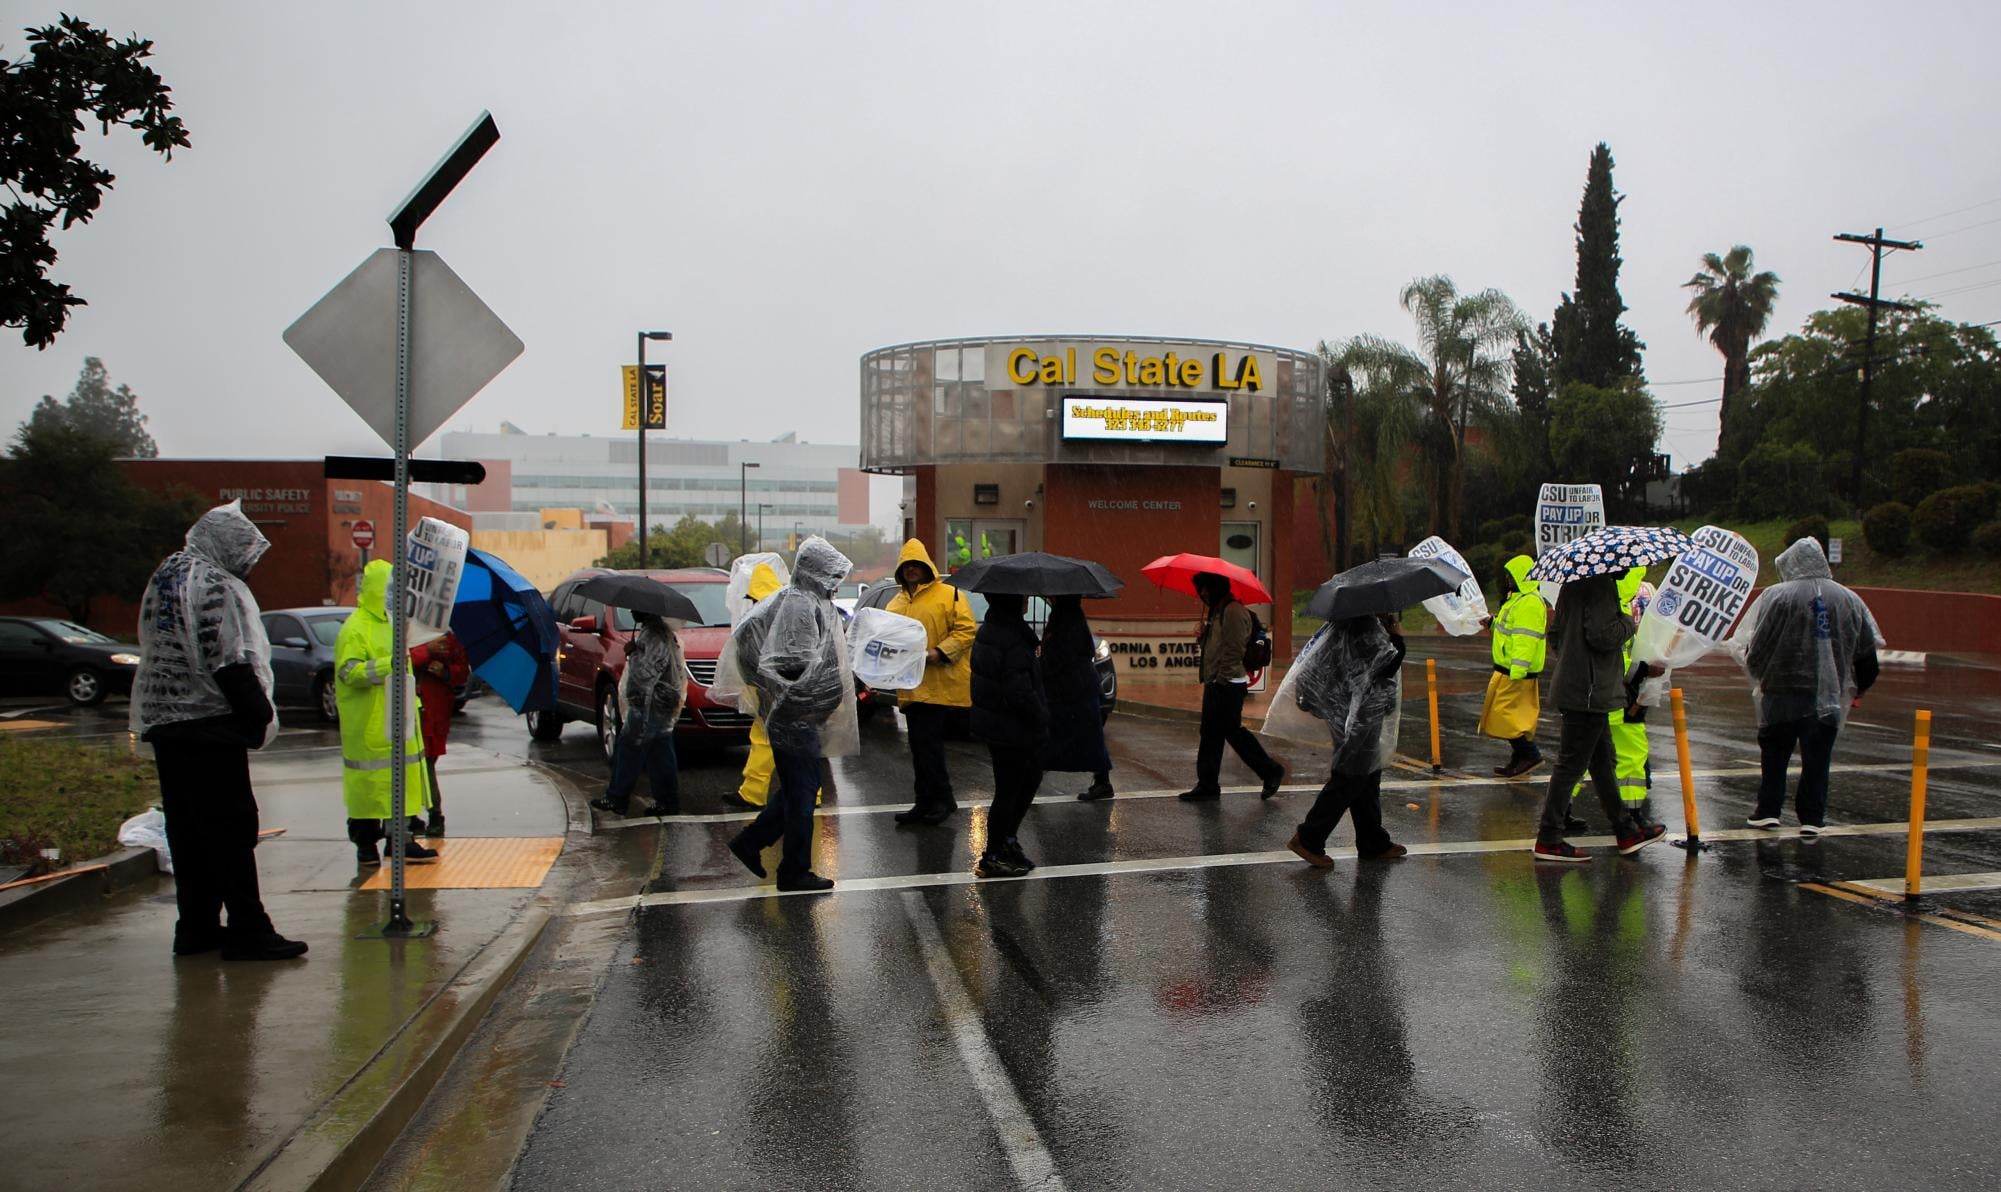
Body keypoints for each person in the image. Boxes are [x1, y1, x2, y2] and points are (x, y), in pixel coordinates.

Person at [131, 501, 307, 961]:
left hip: (166, 725)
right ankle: (250, 928)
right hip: (211, 727)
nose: (248, 564)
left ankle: (196, 927)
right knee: (231, 830)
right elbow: (229, 657)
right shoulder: (215, 586)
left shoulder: (166, 575)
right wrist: (258, 718)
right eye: (245, 553)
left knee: (188, 833)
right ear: (226, 545)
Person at [1727, 537, 1882, 834]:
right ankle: (1812, 816)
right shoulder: (1849, 600)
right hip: (1826, 696)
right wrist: (1858, 689)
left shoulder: (1776, 597)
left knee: (1774, 753)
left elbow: (1757, 647)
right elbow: (1867, 656)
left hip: (1780, 692)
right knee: (1818, 757)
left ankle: (1768, 810)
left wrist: (1760, 676)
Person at [725, 537, 855, 892]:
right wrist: (805, 705)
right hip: (796, 716)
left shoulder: (798, 601)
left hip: (792, 714)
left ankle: (751, 843)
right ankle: (793, 870)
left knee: (800, 788)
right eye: (832, 575)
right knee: (801, 794)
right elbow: (793, 662)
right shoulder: (799, 605)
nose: (836, 583)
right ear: (817, 572)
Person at [1531, 571, 1666, 862]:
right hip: (1589, 691)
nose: (1628, 569)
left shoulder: (1572, 586)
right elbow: (1602, 635)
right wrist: (1628, 621)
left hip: (1581, 687)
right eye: (1625, 564)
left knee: (1603, 762)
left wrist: (1572, 660)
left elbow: (1555, 633)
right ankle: (1549, 837)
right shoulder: (1602, 586)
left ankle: (1625, 830)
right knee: (1571, 765)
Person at [335, 559, 439, 867]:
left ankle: (401, 841)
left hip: (398, 721)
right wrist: (387, 665)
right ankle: (366, 845)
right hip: (369, 725)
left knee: (402, 787)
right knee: (368, 792)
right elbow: (348, 672)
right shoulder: (356, 628)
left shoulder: (396, 625)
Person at [1286, 615, 1409, 867]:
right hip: (1356, 712)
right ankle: (1308, 837)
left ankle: (1372, 841)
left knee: (1367, 773)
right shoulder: (1363, 625)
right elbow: (1384, 664)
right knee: (1351, 775)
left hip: (1351, 709)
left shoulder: (1348, 622)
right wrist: (1396, 637)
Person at [885, 538, 977, 826]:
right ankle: (925, 802)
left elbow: (966, 631)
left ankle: (942, 800)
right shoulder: (895, 602)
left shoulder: (950, 595)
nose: (912, 570)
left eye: (917, 564)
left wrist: (940, 652)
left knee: (929, 747)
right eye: (907, 565)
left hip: (940, 685)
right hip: (911, 686)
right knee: (920, 748)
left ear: (927, 566)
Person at [1564, 570, 1655, 832]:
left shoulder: (1591, 597)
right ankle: (1632, 816)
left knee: (1581, 758)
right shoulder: (1632, 601)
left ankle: (1562, 812)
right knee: (1630, 757)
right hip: (1622, 695)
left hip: (1601, 694)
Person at [1180, 571, 1284, 801]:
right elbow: (1219, 646)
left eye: (1206, 588)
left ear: (1216, 587)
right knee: (1210, 734)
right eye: (1201, 589)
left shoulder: (1233, 611)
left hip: (1228, 684)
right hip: (1216, 681)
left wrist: (1222, 680)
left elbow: (1234, 650)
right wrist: (1204, 638)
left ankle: (1271, 770)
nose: (1203, 594)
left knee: (1232, 733)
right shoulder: (1217, 611)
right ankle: (1207, 785)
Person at [969, 592, 1050, 877]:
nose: (1027, 600)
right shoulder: (1012, 638)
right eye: (1023, 597)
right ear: (1012, 602)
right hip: (1013, 726)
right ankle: (994, 853)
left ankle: (1006, 843)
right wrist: (1041, 715)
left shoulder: (991, 631)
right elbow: (1019, 691)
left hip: (998, 724)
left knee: (1019, 784)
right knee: (1012, 789)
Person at [590, 610, 685, 817]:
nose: (632, 612)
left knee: (629, 749)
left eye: (635, 610)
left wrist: (632, 653)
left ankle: (617, 798)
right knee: (660, 753)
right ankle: (667, 802)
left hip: (649, 703)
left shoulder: (653, 635)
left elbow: (645, 674)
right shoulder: (658, 632)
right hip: (660, 702)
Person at [1478, 555, 1547, 778]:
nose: (1508, 579)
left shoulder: (1529, 602)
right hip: (1509, 670)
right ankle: (1520, 757)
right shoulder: (1518, 600)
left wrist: (1518, 670)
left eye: (1511, 575)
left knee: (1504, 714)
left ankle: (1529, 754)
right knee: (1509, 716)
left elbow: (1525, 639)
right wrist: (1491, 623)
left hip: (1516, 672)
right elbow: (1508, 628)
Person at [1040, 595, 1113, 800]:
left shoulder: (1066, 619)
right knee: (1087, 737)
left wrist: (1043, 663)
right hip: (1077, 688)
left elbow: (1061, 655)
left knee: (1064, 736)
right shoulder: (1068, 617)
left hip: (1073, 690)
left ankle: (1102, 783)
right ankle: (1102, 782)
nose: (1051, 598)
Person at [408, 631, 467, 837]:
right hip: (408, 706)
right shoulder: (405, 628)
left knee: (427, 762)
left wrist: (446, 672)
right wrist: (426, 651)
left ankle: (434, 814)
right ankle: (411, 814)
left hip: (433, 709)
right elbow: (397, 659)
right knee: (408, 764)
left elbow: (462, 672)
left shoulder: (449, 636)